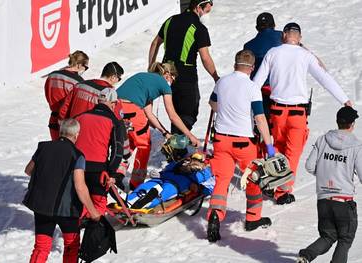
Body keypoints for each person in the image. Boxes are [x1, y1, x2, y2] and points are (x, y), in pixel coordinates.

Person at [253, 22, 352, 205]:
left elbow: (257, 82)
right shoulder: (306, 56)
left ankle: (275, 183)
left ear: (284, 35)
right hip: (297, 114)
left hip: (276, 112)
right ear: (299, 38)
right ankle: (282, 191)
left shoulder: (272, 53)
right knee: (292, 153)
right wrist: (344, 100)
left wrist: (244, 102)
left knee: (279, 150)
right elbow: (324, 78)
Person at [206, 50, 275, 242]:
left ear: (235, 64)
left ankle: (215, 215)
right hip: (243, 143)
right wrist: (269, 146)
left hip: (221, 140)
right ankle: (253, 218)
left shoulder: (222, 82)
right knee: (253, 179)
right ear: (252, 68)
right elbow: (260, 118)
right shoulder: (252, 87)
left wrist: (226, 110)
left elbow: (212, 103)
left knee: (222, 180)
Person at [23, 118, 101, 263]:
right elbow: (80, 186)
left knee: (41, 247)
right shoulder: (77, 155)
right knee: (71, 247)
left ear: (61, 132)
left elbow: (28, 170)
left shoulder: (43, 148)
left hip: (42, 207)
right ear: (77, 135)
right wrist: (93, 211)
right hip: (67, 210)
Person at [117, 62, 201, 188]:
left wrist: (165, 133)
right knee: (144, 145)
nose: (172, 82)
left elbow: (149, 114)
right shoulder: (163, 84)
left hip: (116, 108)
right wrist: (190, 136)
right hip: (132, 109)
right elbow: (172, 115)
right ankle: (136, 184)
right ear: (167, 74)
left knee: (130, 142)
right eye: (173, 78)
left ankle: (117, 173)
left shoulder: (144, 78)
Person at [297, 106, 361, 263]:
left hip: (324, 200)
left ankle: (306, 255)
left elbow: (310, 166)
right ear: (352, 124)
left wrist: (326, 173)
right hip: (343, 202)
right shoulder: (356, 146)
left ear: (337, 122)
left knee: (328, 236)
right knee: (345, 239)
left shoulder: (323, 139)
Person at [148, 0, 220, 134]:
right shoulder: (198, 27)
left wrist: (151, 67)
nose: (211, 6)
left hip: (166, 75)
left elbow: (154, 43)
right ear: (199, 7)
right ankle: (178, 146)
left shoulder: (170, 20)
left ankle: (177, 144)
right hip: (186, 76)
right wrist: (216, 77)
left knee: (174, 111)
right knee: (188, 112)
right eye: (209, 3)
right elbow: (205, 57)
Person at [74, 88, 126, 216]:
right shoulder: (114, 121)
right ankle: (95, 231)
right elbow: (117, 151)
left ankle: (78, 229)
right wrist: (112, 172)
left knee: (81, 202)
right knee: (98, 204)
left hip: (77, 167)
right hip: (99, 170)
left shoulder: (80, 116)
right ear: (113, 103)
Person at [244, 12, 282, 119]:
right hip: (281, 88)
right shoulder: (283, 37)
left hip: (259, 91)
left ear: (257, 28)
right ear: (274, 25)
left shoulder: (248, 45)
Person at [44, 50, 88, 140]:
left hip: (53, 119)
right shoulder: (78, 82)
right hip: (69, 124)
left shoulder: (52, 75)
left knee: (57, 149)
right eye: (85, 67)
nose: (84, 70)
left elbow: (47, 94)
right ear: (79, 65)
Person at [58, 62, 124, 120]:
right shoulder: (110, 93)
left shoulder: (80, 85)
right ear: (113, 77)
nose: (118, 81)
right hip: (91, 131)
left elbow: (64, 109)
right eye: (119, 79)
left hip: (73, 129)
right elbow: (117, 118)